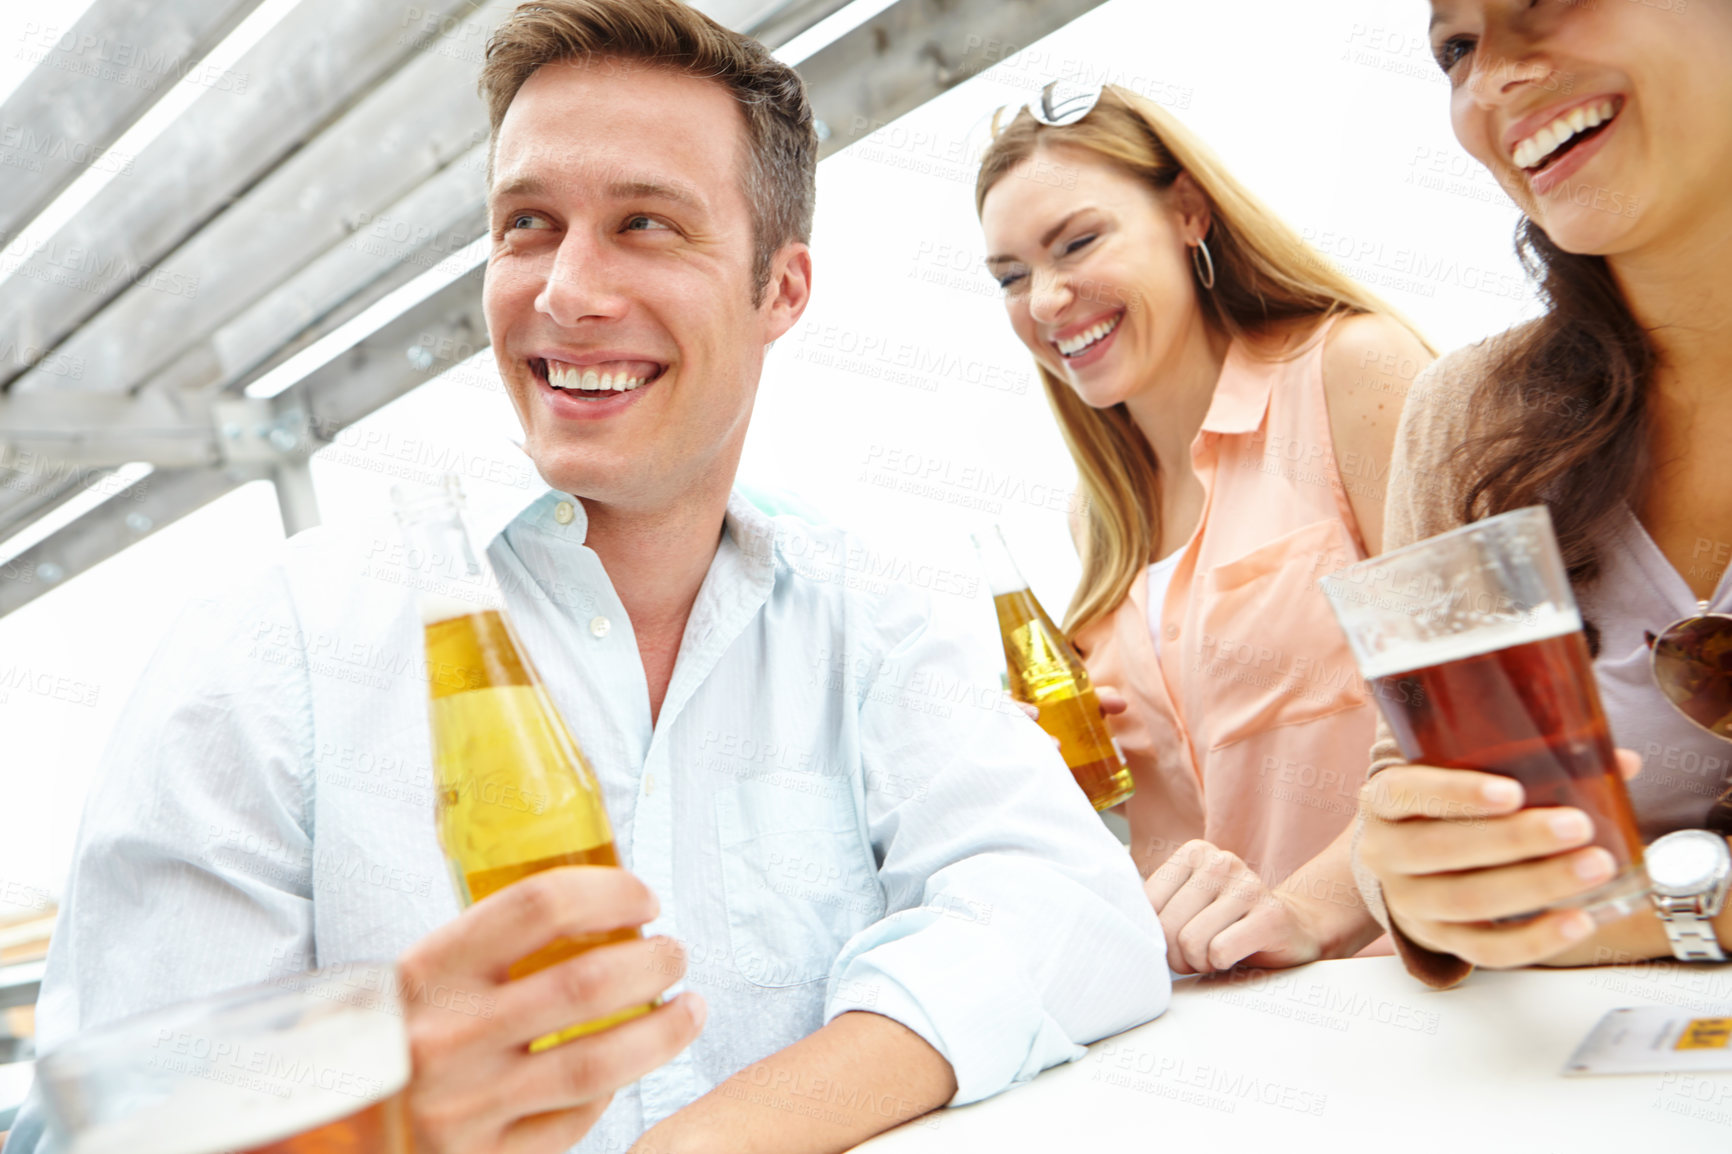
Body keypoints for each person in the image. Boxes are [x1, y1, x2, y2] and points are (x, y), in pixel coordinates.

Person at [2, 3, 1168, 1152]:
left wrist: (716, 1138)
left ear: (782, 291)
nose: (565, 289)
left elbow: (1070, 906)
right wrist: (368, 1092)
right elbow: (100, 1117)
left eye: (646, 224)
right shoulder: (269, 648)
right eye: (526, 224)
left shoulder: (863, 616)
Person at [975, 84, 1434, 976]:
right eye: (1011, 276)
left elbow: (1490, 714)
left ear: (1188, 212)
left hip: (1415, 982)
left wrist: (1306, 910)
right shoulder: (1100, 518)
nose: (1049, 297)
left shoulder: (1353, 377)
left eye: (1078, 242)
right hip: (1223, 1021)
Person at [1356, 0, 1732, 986]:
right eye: (1455, 48)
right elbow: (1415, 775)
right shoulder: (1468, 416)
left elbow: (1588, 914)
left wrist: (1652, 909)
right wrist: (1410, 873)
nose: (1490, 81)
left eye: (1548, 2)